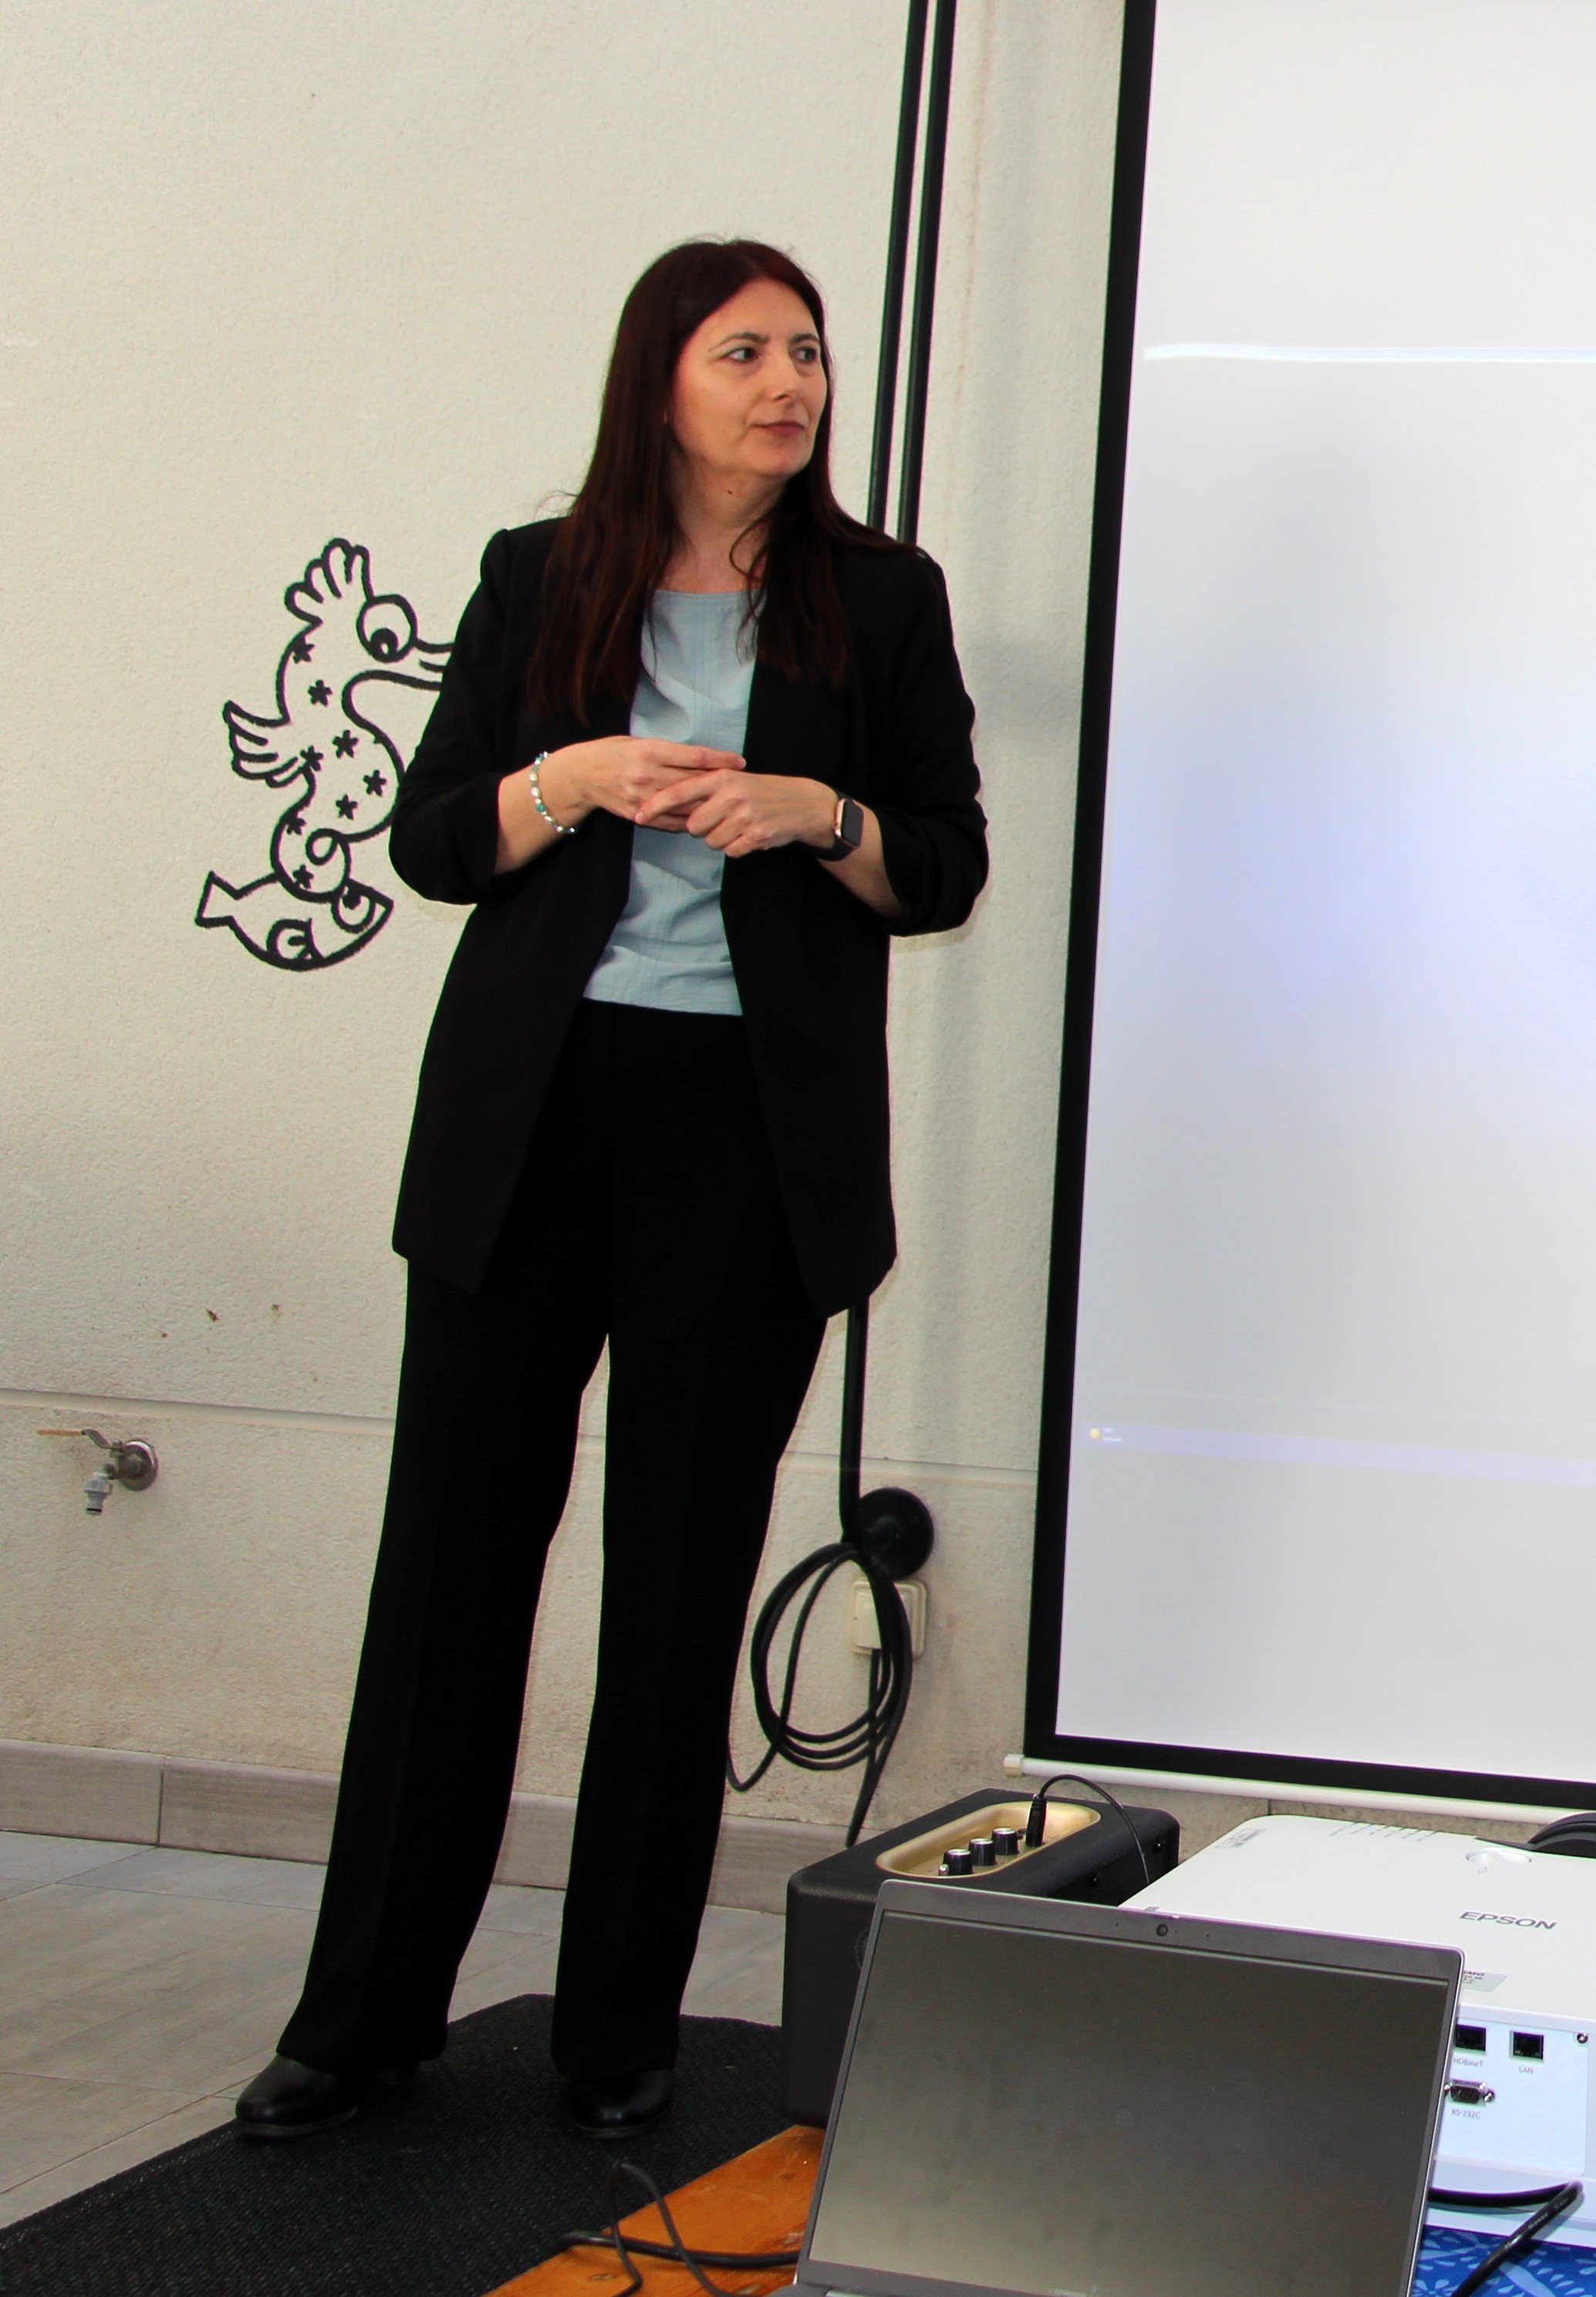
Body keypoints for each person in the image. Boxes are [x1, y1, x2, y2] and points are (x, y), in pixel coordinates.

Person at [233, 238, 989, 2140]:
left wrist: (817, 814)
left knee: (675, 1579)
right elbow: (435, 842)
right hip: (533, 1114)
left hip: (748, 1130)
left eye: (806, 352)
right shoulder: (539, 576)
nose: (789, 384)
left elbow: (946, 864)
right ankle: (362, 2015)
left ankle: (614, 2033)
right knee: (449, 1568)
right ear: (659, 378)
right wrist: (566, 776)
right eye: (746, 352)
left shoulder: (879, 597)